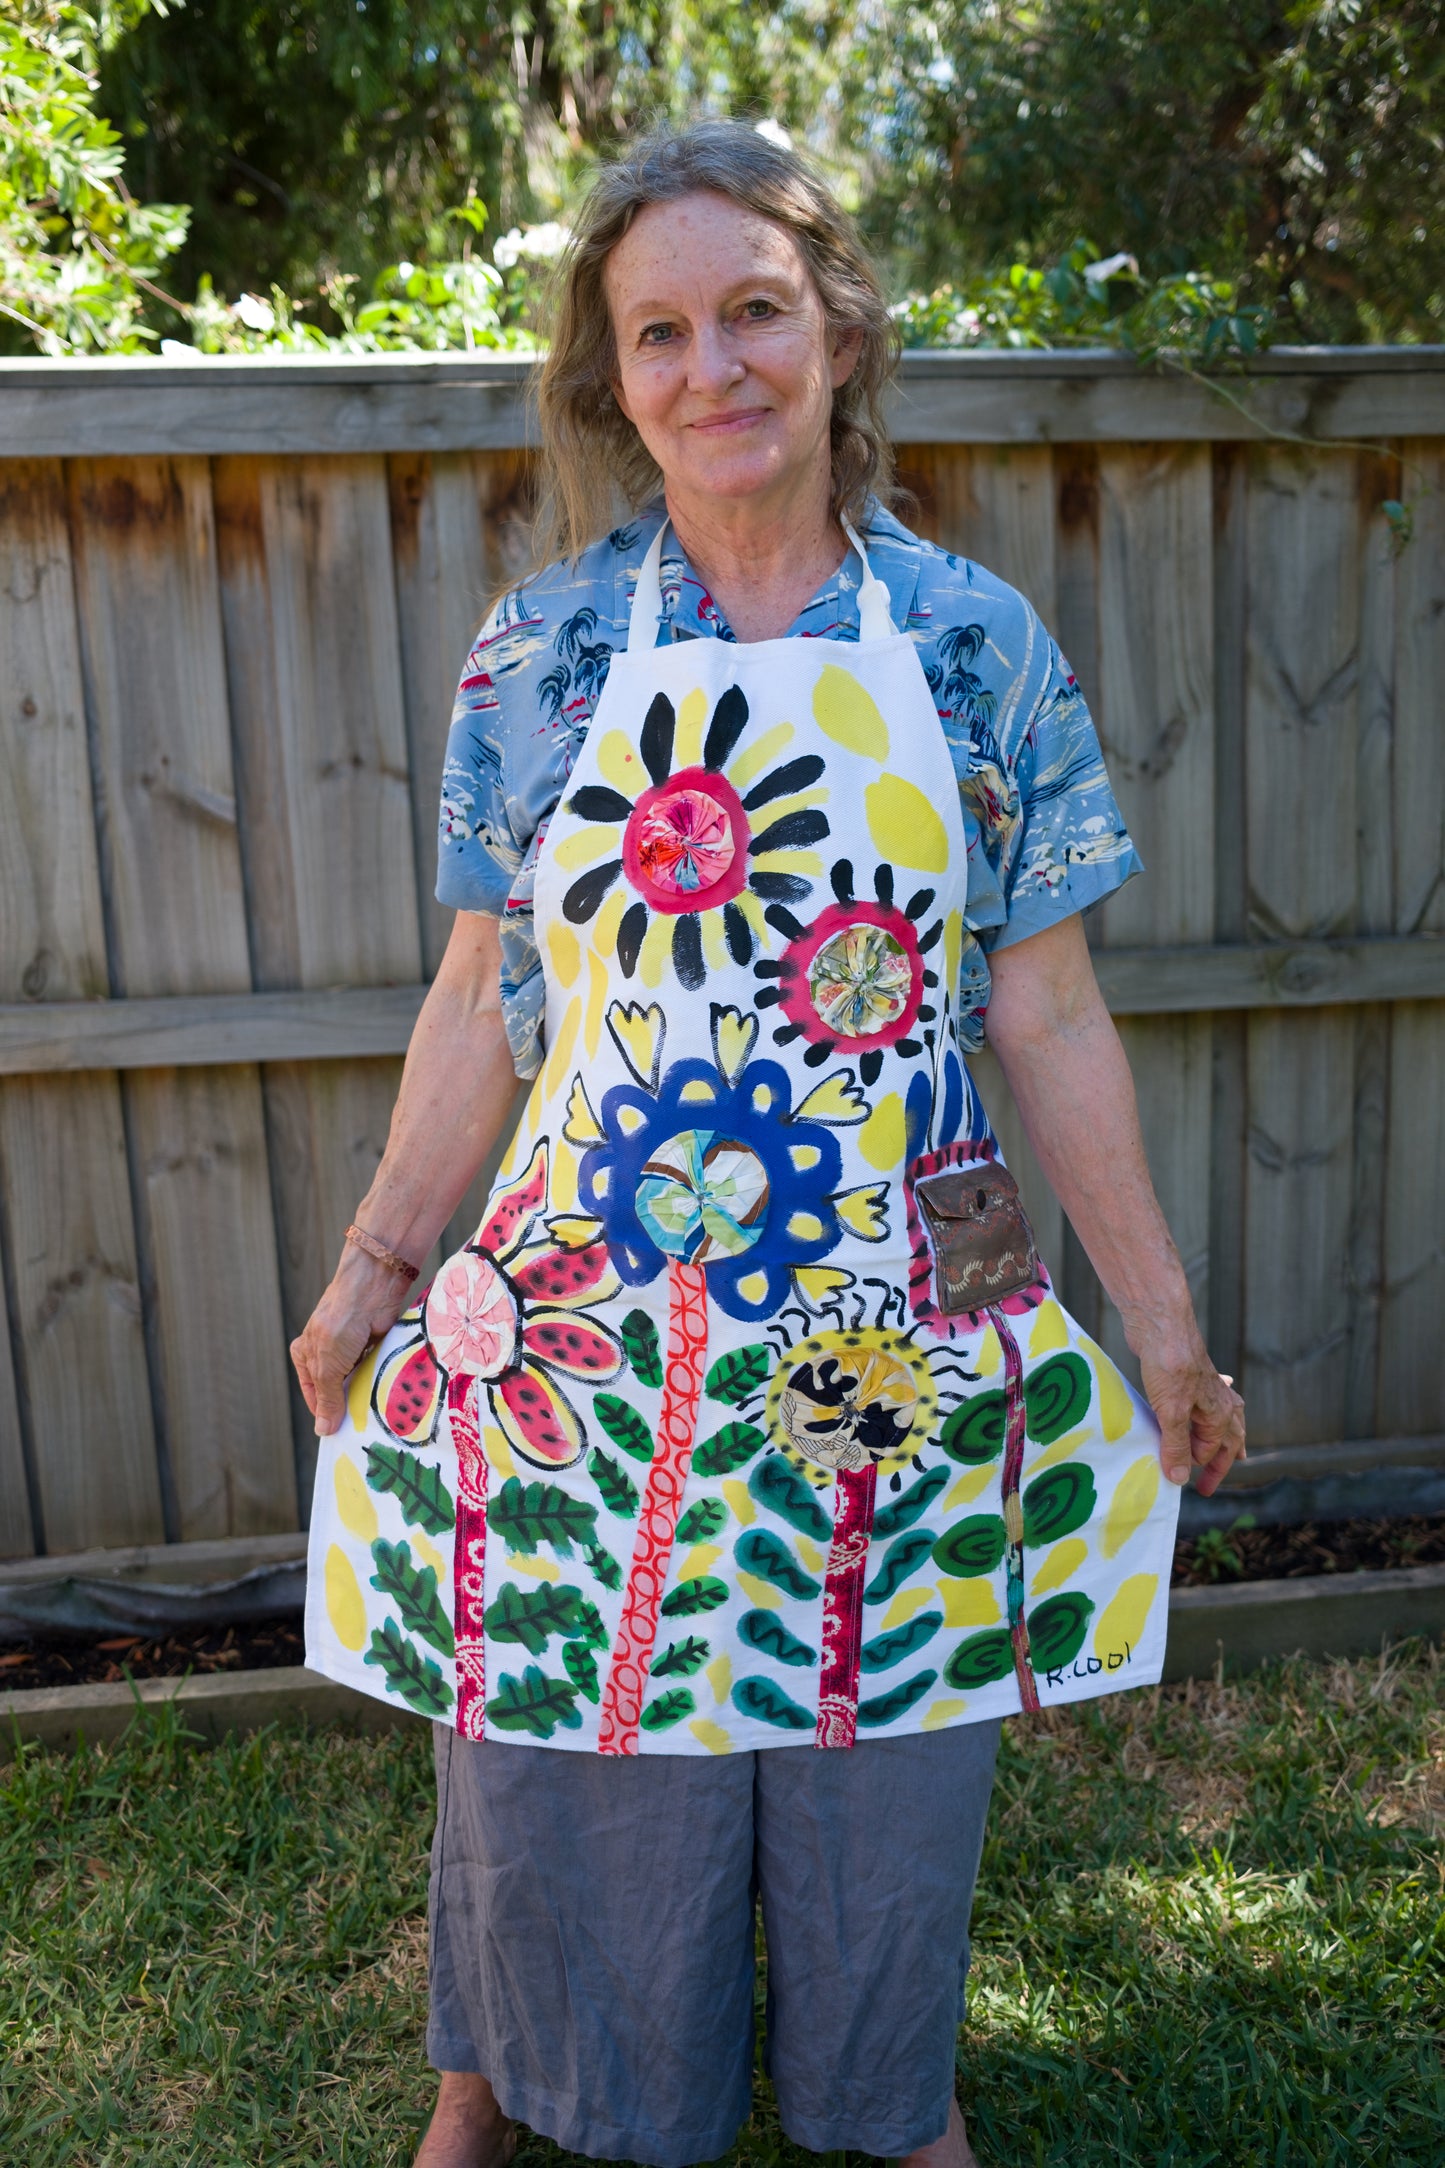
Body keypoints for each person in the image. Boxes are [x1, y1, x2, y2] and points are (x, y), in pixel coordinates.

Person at [294, 120, 1246, 2168]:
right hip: (588, 1305)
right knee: (545, 1688)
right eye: (661, 331)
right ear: (611, 375)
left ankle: (890, 2097)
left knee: (884, 1717)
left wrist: (1156, 1317)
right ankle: (500, 2084)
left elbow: (1047, 1004)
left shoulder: (976, 642)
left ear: (834, 334)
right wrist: (377, 1263)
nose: (712, 367)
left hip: (898, 1285)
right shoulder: (536, 654)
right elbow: (483, 995)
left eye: (752, 313)